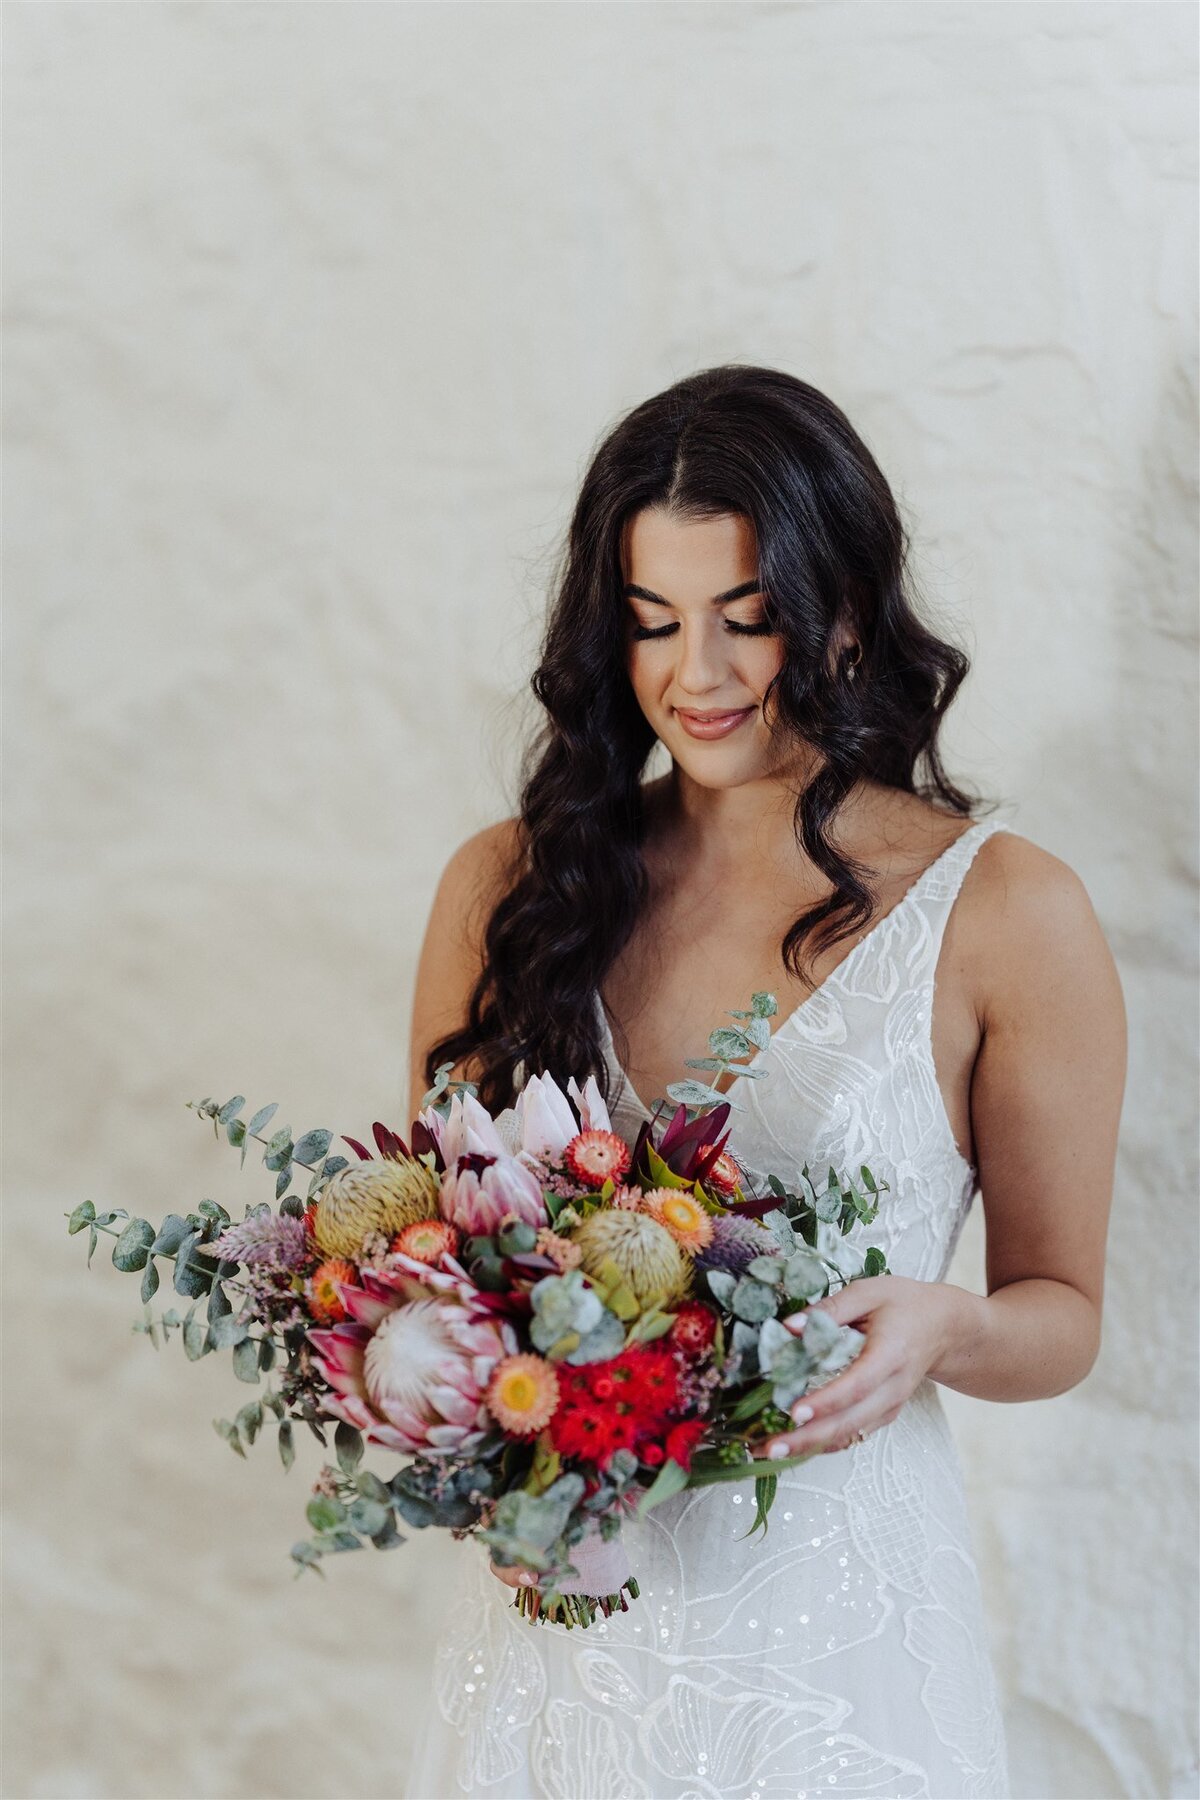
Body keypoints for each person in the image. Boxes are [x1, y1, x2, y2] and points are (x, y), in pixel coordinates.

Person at [401, 365, 1126, 1799]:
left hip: (836, 1633)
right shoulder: (509, 888)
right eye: (652, 624)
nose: (701, 676)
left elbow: (1065, 1317)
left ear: (847, 605)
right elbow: (441, 1260)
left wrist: (945, 1330)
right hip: (561, 1625)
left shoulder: (1006, 913)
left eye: (750, 619)